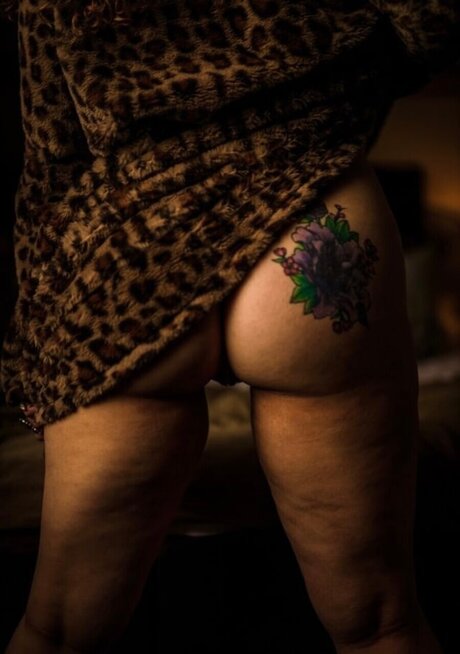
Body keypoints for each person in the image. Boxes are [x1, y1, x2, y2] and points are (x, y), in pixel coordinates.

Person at [1, 1, 459, 652]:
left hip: (131, 247)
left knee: (59, 630)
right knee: (380, 623)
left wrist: (36, 343)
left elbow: (52, 145)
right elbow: (431, 24)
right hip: (310, 210)